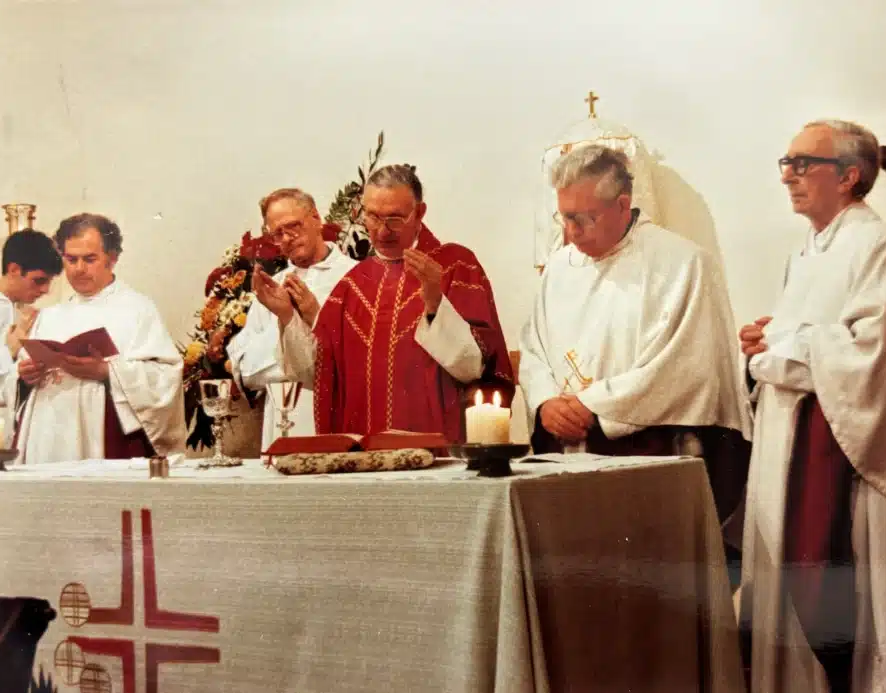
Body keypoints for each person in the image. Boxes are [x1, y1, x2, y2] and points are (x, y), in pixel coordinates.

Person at [737, 120, 886, 693]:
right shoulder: (811, 249)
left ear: (849, 176)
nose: (787, 176)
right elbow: (813, 338)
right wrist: (769, 342)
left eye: (803, 164)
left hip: (842, 459)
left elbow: (871, 355)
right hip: (789, 445)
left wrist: (776, 349)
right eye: (786, 162)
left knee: (844, 612)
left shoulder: (875, 245)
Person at [517, 144, 751, 524]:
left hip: (648, 454)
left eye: (584, 219)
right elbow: (533, 346)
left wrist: (593, 404)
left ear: (623, 205)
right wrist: (545, 402)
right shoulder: (560, 267)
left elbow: (687, 367)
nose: (571, 233)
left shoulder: (683, 263)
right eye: (564, 218)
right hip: (564, 450)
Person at [254, 164, 514, 442]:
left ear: (420, 213)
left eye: (394, 219)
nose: (381, 231)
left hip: (439, 449)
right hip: (366, 455)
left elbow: (474, 368)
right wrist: (286, 316)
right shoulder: (352, 284)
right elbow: (317, 374)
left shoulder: (455, 265)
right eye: (373, 217)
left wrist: (436, 302)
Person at [11, 213, 186, 463]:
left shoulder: (137, 309)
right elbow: (18, 382)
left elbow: (166, 376)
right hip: (47, 434)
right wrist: (25, 377)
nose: (79, 269)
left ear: (112, 259)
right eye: (71, 259)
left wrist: (107, 372)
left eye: (89, 259)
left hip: (106, 434)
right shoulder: (49, 315)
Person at [226, 188, 357, 451]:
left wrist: (303, 324)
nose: (286, 238)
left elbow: (353, 362)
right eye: (277, 233)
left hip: (334, 416)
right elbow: (243, 369)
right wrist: (296, 335)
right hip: (280, 422)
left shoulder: (355, 277)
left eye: (293, 226)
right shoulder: (273, 286)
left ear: (316, 218)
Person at [0, 230, 62, 440]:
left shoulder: (28, 312)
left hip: (16, 425)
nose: (45, 290)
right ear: (14, 270)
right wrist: (9, 351)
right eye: (39, 281)